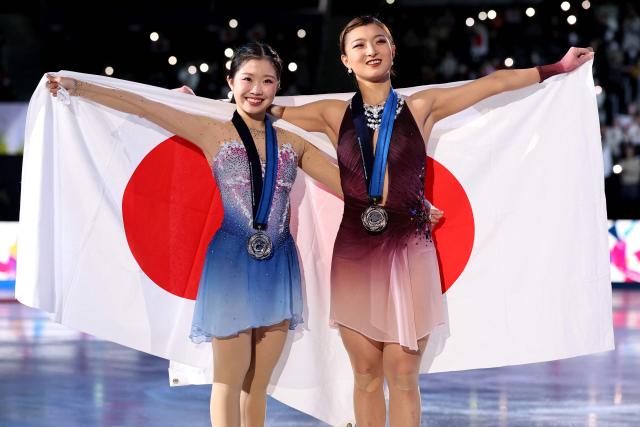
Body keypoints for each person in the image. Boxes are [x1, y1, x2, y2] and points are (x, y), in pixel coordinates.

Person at [269, 15, 594, 427]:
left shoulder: (421, 107)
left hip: (409, 250)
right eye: (359, 45)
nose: (371, 49)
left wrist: (556, 68)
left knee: (403, 375)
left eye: (380, 40)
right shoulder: (332, 113)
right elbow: (256, 107)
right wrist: (189, 103)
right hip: (355, 252)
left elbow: (490, 84)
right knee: (366, 375)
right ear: (345, 60)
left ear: (393, 50)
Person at [46, 42, 341, 427]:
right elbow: (143, 105)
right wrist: (80, 87)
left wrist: (409, 201)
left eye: (267, 81)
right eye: (248, 79)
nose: (257, 88)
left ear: (277, 87)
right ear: (231, 82)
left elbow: (351, 186)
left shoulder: (292, 142)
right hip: (231, 265)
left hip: (279, 265)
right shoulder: (210, 131)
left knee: (258, 385)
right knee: (228, 380)